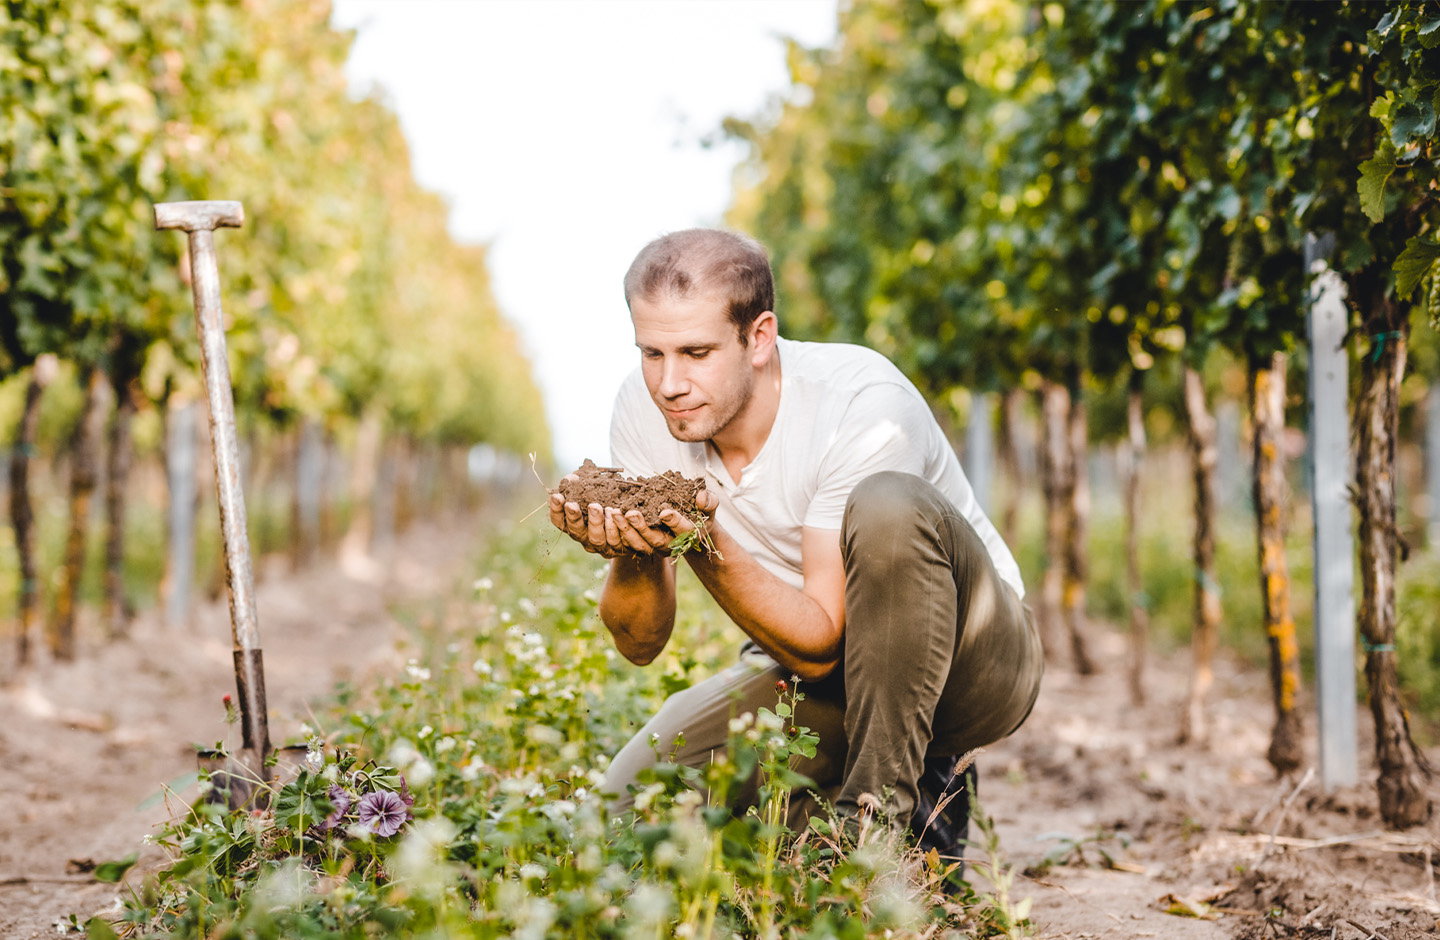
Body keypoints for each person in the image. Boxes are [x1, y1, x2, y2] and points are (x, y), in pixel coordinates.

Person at [548, 228, 1042, 861]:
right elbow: (639, 643)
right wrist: (635, 550)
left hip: (970, 664)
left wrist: (699, 539)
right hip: (826, 674)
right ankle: (852, 814)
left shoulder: (864, 405)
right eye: (652, 353)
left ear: (759, 338)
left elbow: (821, 644)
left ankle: (873, 838)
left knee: (889, 505)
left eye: (696, 353)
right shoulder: (646, 414)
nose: (669, 383)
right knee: (620, 815)